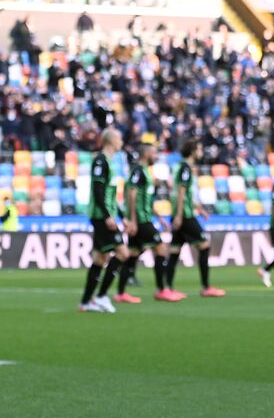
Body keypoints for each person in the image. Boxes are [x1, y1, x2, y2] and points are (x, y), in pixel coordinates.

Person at [118, 143, 183, 303]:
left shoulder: (145, 172)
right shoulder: (138, 171)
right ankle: (162, 290)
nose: (156, 156)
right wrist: (132, 220)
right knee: (161, 249)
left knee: (132, 254)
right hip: (141, 221)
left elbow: (144, 199)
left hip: (144, 218)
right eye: (154, 153)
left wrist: (159, 217)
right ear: (146, 153)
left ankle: (120, 293)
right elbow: (131, 195)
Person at [165, 139, 225, 298]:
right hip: (184, 215)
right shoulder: (185, 168)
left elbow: (185, 193)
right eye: (199, 149)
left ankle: (166, 288)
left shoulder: (183, 167)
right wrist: (178, 215)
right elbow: (181, 191)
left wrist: (200, 209)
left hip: (183, 213)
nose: (200, 152)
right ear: (192, 151)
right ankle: (206, 287)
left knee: (174, 250)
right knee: (204, 246)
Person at [79, 128, 130, 313]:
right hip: (101, 216)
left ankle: (85, 302)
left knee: (100, 258)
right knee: (123, 253)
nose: (121, 142)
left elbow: (111, 195)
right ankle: (101, 296)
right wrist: (108, 216)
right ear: (111, 140)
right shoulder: (100, 161)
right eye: (119, 138)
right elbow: (98, 191)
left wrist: (122, 216)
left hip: (106, 215)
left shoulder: (110, 162)